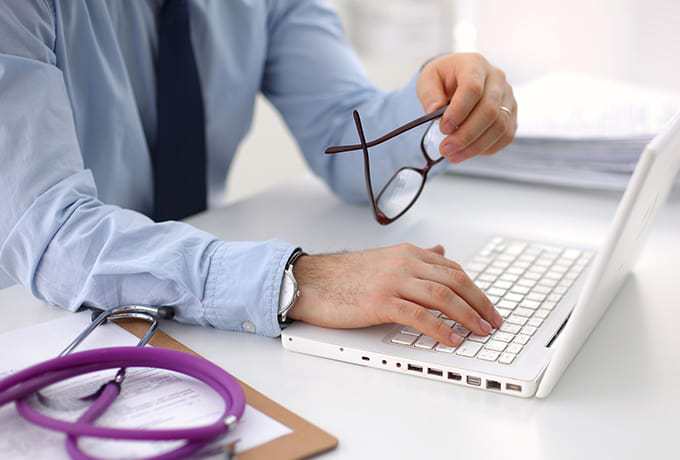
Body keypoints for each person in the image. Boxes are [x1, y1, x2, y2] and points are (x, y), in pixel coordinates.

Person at [0, 1, 517, 348]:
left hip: (190, 329)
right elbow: (50, 234)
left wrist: (439, 112)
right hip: (30, 321)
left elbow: (346, 139)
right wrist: (296, 279)